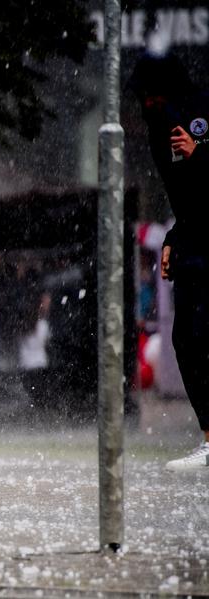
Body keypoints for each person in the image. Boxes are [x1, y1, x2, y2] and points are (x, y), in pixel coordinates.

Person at [130, 53, 209, 471]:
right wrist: (173, 240)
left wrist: (200, 154)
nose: (146, 105)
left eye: (151, 95)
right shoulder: (159, 132)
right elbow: (189, 199)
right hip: (193, 248)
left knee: (203, 334)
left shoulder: (200, 111)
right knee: (186, 341)